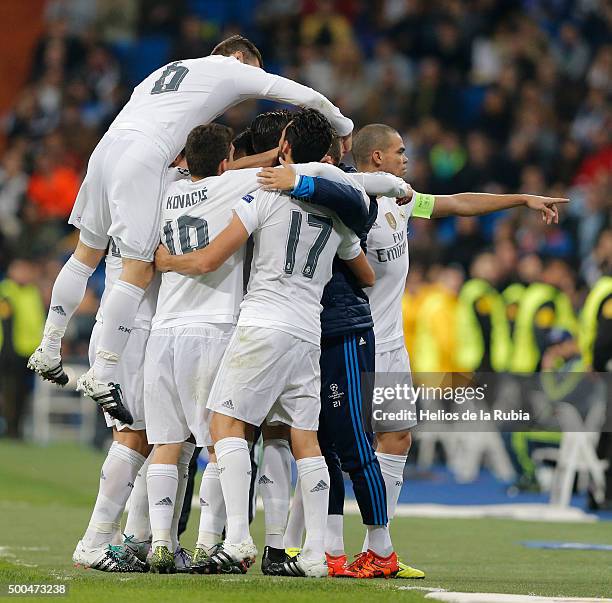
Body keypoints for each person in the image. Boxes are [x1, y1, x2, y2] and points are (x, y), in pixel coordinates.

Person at [28, 34, 354, 426]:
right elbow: (305, 96)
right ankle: (103, 372)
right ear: (238, 57)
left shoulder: (165, 70)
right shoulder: (232, 70)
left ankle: (48, 347)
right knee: (137, 267)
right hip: (145, 155)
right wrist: (342, 124)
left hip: (107, 147)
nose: (255, 79)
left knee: (85, 253)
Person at [154, 108, 374, 578]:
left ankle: (235, 540)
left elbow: (212, 258)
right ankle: (315, 555)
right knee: (306, 439)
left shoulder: (268, 193)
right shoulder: (336, 211)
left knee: (225, 425)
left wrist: (168, 262)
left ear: (287, 149)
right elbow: (365, 271)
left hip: (263, 323)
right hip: (307, 332)